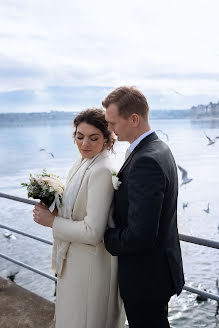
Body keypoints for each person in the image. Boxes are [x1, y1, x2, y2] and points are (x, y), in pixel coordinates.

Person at [33, 108, 126, 328]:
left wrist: (52, 222)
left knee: (83, 321)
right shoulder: (83, 162)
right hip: (74, 262)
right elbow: (78, 208)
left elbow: (92, 232)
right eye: (79, 136)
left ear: (107, 138)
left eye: (93, 138)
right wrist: (56, 209)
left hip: (90, 266)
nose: (84, 144)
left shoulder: (102, 170)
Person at [103, 86, 185, 328]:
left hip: (146, 278)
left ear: (134, 119)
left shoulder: (145, 160)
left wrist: (104, 236)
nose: (110, 129)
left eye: (113, 123)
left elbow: (140, 236)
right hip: (159, 271)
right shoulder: (159, 148)